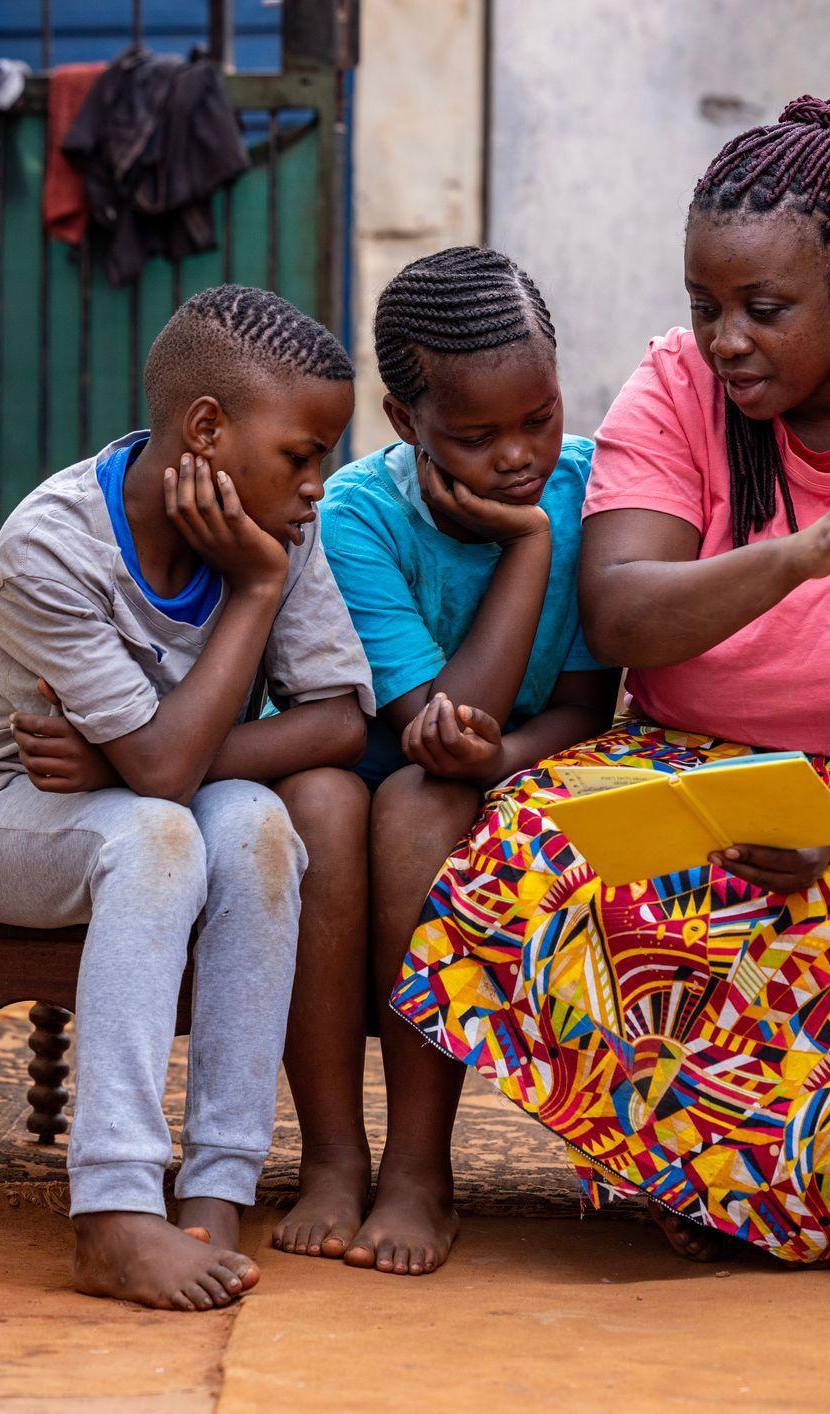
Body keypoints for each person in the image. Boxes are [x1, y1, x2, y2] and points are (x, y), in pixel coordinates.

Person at [390, 96, 830, 1265]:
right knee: (530, 849)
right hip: (696, 761)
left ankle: (780, 1200)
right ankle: (697, 1179)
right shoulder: (674, 390)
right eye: (703, 306)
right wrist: (794, 560)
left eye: (763, 309)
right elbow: (621, 609)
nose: (725, 339)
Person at [0, 285, 376, 1310]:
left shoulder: (277, 529)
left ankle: (214, 1187)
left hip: (125, 795)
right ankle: (112, 1210)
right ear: (206, 428)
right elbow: (161, 777)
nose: (315, 486)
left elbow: (338, 717)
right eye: (301, 454)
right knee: (160, 832)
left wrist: (129, 759)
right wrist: (248, 597)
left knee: (253, 824)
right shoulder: (53, 547)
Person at [284, 246, 618, 1275]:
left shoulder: (595, 488)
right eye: (474, 438)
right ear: (402, 422)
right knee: (323, 809)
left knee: (424, 814)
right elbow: (430, 717)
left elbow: (578, 707)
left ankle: (420, 1165)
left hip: (507, 773)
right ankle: (333, 1153)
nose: (518, 457)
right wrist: (524, 547)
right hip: (376, 755)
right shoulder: (358, 516)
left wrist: (500, 753)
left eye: (538, 419)